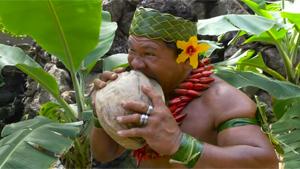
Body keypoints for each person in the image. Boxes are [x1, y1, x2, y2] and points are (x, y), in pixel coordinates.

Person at [90, 1, 279, 168]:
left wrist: (179, 144)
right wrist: (102, 110)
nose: (135, 63)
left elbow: (265, 163)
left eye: (149, 54)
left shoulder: (222, 100)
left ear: (186, 58)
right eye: (132, 50)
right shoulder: (137, 91)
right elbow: (105, 154)